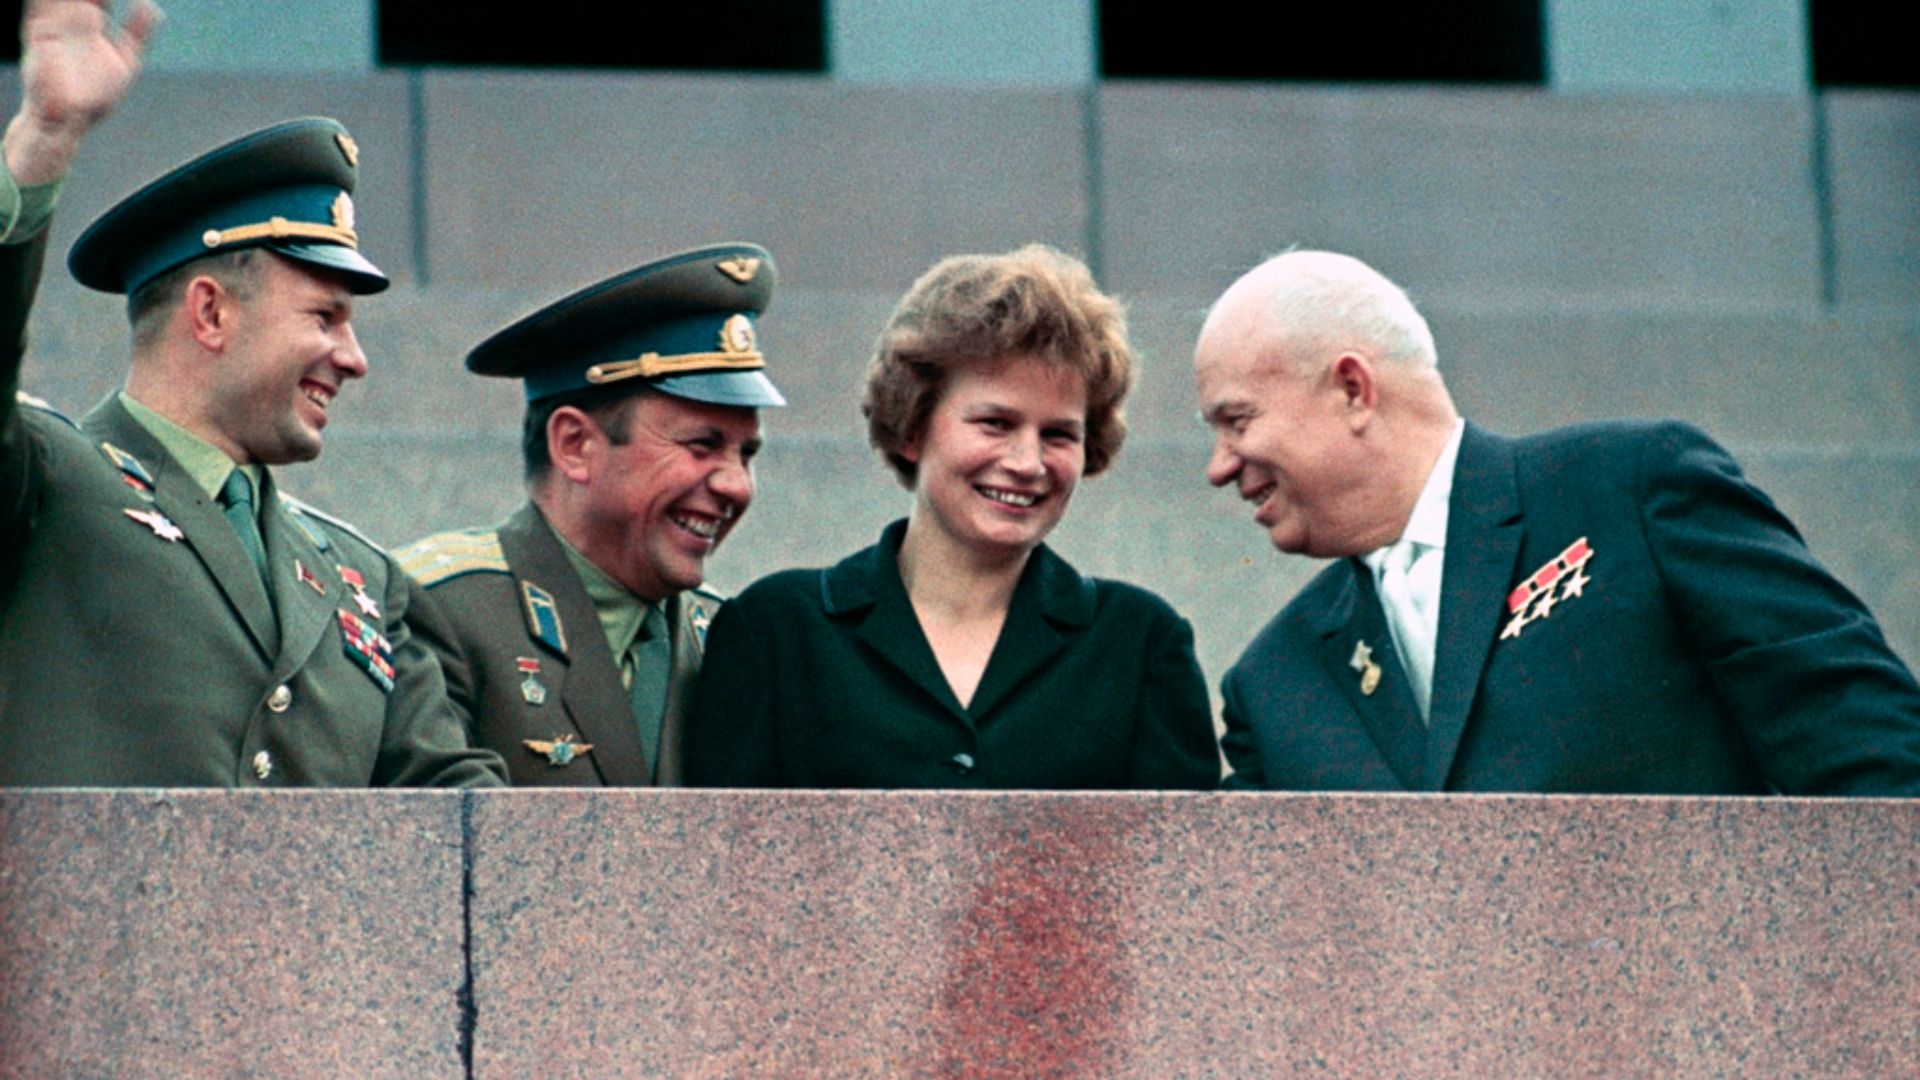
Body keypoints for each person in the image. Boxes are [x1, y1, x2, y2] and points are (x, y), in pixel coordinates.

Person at [0, 0, 505, 787]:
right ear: (210, 312)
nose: (355, 358)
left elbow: (458, 817)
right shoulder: (44, 481)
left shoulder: (362, 580)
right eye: (325, 317)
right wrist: (42, 142)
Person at [1195, 249, 1920, 794]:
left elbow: (1869, 751)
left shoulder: (1628, 492)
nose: (1220, 467)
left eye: (1237, 421)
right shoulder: (1274, 684)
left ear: (1353, 389)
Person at [683, 244, 1219, 789]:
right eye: (995, 423)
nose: (1027, 463)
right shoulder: (775, 631)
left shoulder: (1141, 643)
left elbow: (1187, 867)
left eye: (1058, 434)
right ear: (913, 427)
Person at [397, 245, 784, 785]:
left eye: (747, 454)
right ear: (575, 445)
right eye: (702, 445)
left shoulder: (725, 639)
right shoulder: (441, 607)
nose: (735, 485)